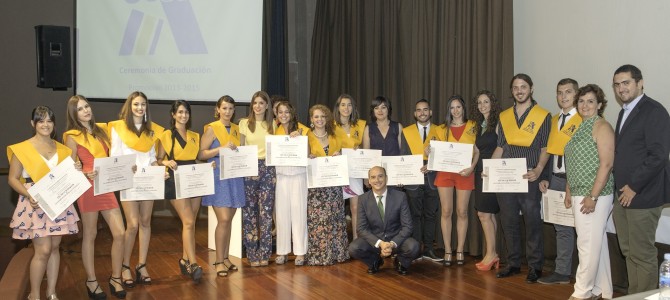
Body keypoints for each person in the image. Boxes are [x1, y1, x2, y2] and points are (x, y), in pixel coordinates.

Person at [7, 106, 80, 300]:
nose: (45, 124)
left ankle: (52, 292)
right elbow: (13, 178)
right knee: (43, 250)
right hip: (35, 203)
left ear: (54, 124)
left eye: (49, 121)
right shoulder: (22, 148)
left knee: (55, 248)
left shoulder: (63, 150)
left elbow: (69, 177)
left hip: (58, 202)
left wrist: (77, 168)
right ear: (33, 124)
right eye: (41, 121)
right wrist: (29, 194)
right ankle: (35, 294)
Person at [611, 64, 670, 294]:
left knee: (642, 255)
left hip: (642, 195)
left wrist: (633, 186)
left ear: (640, 82)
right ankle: (634, 296)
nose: (621, 88)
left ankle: (644, 297)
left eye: (626, 82)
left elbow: (658, 156)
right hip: (622, 195)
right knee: (628, 251)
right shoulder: (624, 111)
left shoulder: (654, 111)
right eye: (617, 84)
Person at [63, 96, 126, 299]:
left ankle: (116, 277)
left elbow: (113, 157)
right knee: (90, 235)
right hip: (87, 187)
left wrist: (126, 167)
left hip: (106, 185)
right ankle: (91, 281)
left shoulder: (102, 130)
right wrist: (82, 173)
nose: (85, 111)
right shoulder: (71, 135)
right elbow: (69, 167)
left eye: (87, 106)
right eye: (80, 109)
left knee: (120, 233)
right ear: (74, 113)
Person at [492, 74, 551, 283]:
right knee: (508, 221)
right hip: (506, 174)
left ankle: (535, 266)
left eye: (523, 87)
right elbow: (501, 146)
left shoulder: (543, 116)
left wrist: (539, 168)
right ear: (511, 91)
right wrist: (490, 168)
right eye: (515, 87)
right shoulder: (504, 116)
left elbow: (546, 148)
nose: (519, 90)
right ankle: (513, 263)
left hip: (529, 174)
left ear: (531, 89)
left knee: (532, 221)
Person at [564, 84, 615, 300]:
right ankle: (600, 290)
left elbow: (606, 164)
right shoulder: (580, 126)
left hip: (596, 195)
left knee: (586, 245)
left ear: (599, 104)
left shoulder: (602, 126)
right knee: (596, 243)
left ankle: (581, 293)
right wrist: (568, 189)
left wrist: (593, 196)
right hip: (578, 193)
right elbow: (574, 162)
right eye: (582, 101)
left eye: (591, 101)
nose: (585, 105)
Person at [109, 91, 165, 286]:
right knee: (132, 224)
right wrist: (125, 167)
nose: (140, 108)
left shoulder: (151, 131)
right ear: (129, 106)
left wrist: (159, 169)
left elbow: (151, 158)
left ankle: (141, 265)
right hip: (128, 180)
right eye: (136, 105)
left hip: (147, 180)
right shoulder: (119, 128)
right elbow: (113, 155)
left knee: (145, 222)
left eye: (143, 105)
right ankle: (125, 266)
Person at [537, 79, 582, 285]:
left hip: (576, 180)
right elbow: (550, 151)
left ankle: (585, 276)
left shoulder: (583, 119)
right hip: (555, 178)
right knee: (561, 227)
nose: (563, 96)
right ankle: (562, 272)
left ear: (576, 94)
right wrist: (545, 176)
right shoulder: (554, 120)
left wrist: (572, 182)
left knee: (582, 229)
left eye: (568, 92)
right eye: (559, 92)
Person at [156, 100, 203, 283]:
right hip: (175, 179)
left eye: (186, 112)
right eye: (180, 112)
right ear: (173, 114)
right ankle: (193, 263)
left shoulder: (194, 135)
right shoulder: (166, 135)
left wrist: (208, 166)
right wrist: (166, 162)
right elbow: (158, 159)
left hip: (194, 178)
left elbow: (196, 158)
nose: (184, 115)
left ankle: (184, 260)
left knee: (190, 224)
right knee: (189, 221)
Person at [199, 95, 246, 277]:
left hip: (234, 177)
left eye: (231, 109)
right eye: (224, 108)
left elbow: (240, 153)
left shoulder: (237, 130)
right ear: (218, 109)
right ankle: (218, 261)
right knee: (224, 220)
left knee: (229, 220)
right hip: (218, 176)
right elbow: (202, 154)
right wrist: (220, 149)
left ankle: (225, 258)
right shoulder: (212, 129)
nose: (227, 112)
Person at [348, 166, 420, 275]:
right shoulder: (363, 199)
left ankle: (401, 262)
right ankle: (375, 261)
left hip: (396, 240)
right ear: (369, 181)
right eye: (373, 177)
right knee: (354, 248)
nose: (377, 180)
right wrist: (380, 243)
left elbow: (408, 227)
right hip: (375, 241)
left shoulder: (400, 196)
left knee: (413, 246)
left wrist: (392, 244)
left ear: (386, 178)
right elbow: (361, 229)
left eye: (380, 176)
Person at [434, 95, 480, 266]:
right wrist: (429, 151)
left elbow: (476, 151)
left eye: (458, 107)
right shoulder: (441, 129)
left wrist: (472, 167)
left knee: (462, 212)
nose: (455, 111)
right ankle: (447, 249)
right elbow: (434, 151)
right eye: (452, 107)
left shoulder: (473, 126)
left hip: (465, 172)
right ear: (449, 110)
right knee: (446, 211)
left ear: (463, 108)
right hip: (445, 173)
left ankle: (459, 249)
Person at [305, 104, 350, 265]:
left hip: (334, 186)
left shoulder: (335, 136)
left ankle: (338, 254)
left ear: (327, 119)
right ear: (311, 119)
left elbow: (348, 153)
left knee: (335, 219)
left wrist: (340, 154)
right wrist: (307, 157)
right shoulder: (306, 137)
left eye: (323, 116)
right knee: (318, 221)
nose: (319, 119)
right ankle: (319, 256)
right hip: (316, 188)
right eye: (316, 116)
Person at [399, 98, 441, 261]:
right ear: (414, 114)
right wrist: (402, 175)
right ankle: (416, 248)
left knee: (430, 215)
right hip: (413, 180)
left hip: (433, 178)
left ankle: (429, 249)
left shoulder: (440, 130)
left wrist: (432, 164)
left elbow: (445, 157)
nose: (422, 113)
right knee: (415, 215)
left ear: (430, 112)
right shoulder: (407, 131)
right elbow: (403, 156)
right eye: (419, 110)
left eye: (425, 109)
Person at [239, 91, 276, 267]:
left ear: (267, 105)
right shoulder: (244, 123)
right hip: (249, 168)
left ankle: (265, 253)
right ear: (251, 105)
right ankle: (252, 253)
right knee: (249, 213)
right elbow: (240, 148)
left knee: (266, 214)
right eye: (255, 103)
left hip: (268, 169)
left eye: (262, 103)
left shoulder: (274, 124)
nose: (258, 106)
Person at [469, 90, 502, 271]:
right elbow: (477, 151)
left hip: (491, 171)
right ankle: (492, 253)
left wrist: (491, 169)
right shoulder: (479, 124)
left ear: (492, 103)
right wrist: (473, 167)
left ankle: (491, 254)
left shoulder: (498, 122)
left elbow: (501, 146)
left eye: (486, 102)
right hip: (480, 171)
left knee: (484, 214)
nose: (482, 105)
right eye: (479, 102)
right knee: (487, 214)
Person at [273, 101, 310, 266]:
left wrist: (299, 138)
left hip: (298, 175)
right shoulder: (274, 131)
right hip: (281, 176)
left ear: (292, 113)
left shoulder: (303, 129)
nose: (283, 115)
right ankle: (282, 251)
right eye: (280, 112)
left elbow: (308, 153)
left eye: (286, 112)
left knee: (299, 213)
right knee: (281, 215)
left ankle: (301, 252)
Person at [333, 94, 366, 239]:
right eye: (343, 105)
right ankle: (338, 240)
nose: (346, 108)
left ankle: (356, 240)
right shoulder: (330, 125)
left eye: (349, 105)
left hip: (354, 171)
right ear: (338, 107)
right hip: (336, 170)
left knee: (355, 208)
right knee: (337, 208)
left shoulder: (360, 124)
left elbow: (366, 148)